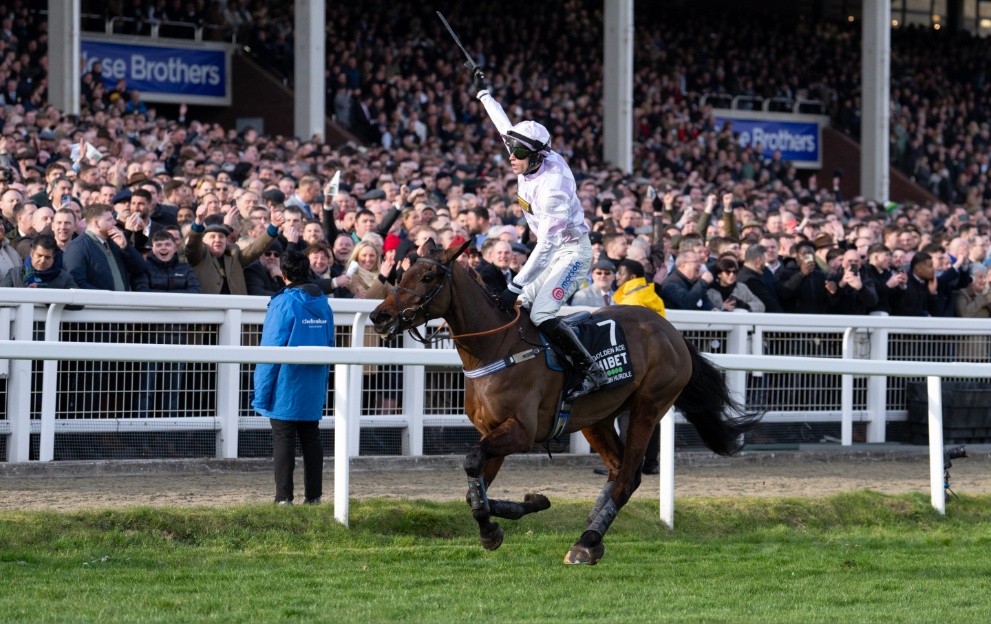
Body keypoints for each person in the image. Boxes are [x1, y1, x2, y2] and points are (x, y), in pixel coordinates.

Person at [472, 66, 607, 399]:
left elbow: (546, 246)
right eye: (510, 150)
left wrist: (515, 283)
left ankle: (592, 370)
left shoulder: (553, 189)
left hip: (571, 252)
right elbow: (503, 126)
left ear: (536, 157)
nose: (510, 157)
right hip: (550, 249)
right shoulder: (526, 151)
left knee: (542, 312)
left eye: (517, 154)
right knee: (519, 308)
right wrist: (484, 93)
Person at [252, 250, 335, 505]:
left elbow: (271, 348)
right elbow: (330, 342)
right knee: (311, 437)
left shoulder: (283, 302)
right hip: (313, 381)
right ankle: (314, 497)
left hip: (285, 383)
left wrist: (261, 392)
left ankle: (283, 498)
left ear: (283, 273)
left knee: (284, 438)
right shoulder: (323, 303)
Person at [63, 203, 146, 291]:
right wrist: (106, 298)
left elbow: (139, 268)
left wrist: (125, 246)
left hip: (121, 303)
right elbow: (76, 284)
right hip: (98, 304)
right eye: (109, 219)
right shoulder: (77, 247)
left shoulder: (115, 242)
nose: (114, 222)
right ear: (96, 223)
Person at [0, 234, 77, 289]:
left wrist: (47, 297)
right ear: (31, 254)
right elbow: (2, 298)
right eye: (39, 256)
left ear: (54, 257)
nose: (43, 260)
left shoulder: (64, 278)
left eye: (47, 257)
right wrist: (25, 295)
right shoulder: (14, 275)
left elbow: (78, 304)